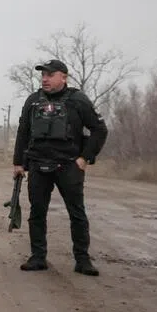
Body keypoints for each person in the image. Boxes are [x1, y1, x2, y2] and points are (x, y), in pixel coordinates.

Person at [12, 59, 107, 275]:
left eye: (50, 74)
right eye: (43, 75)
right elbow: (23, 131)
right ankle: (38, 257)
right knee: (37, 213)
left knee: (77, 214)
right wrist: (18, 163)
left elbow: (99, 129)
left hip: (68, 166)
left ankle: (83, 260)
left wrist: (84, 158)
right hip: (38, 164)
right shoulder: (33, 101)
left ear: (63, 77)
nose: (44, 78)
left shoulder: (78, 100)